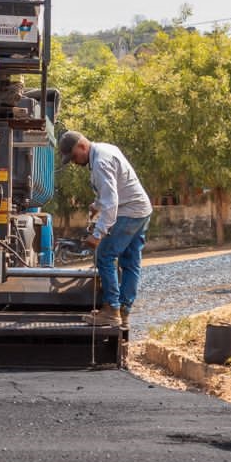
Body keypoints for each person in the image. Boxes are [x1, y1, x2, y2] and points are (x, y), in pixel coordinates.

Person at [57, 130, 152, 329]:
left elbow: (112, 203)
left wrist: (97, 234)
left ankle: (111, 310)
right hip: (142, 209)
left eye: (74, 156)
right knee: (131, 262)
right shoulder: (106, 149)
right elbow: (113, 190)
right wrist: (96, 204)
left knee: (105, 255)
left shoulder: (100, 162)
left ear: (82, 146)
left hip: (129, 211)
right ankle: (123, 311)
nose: (74, 162)